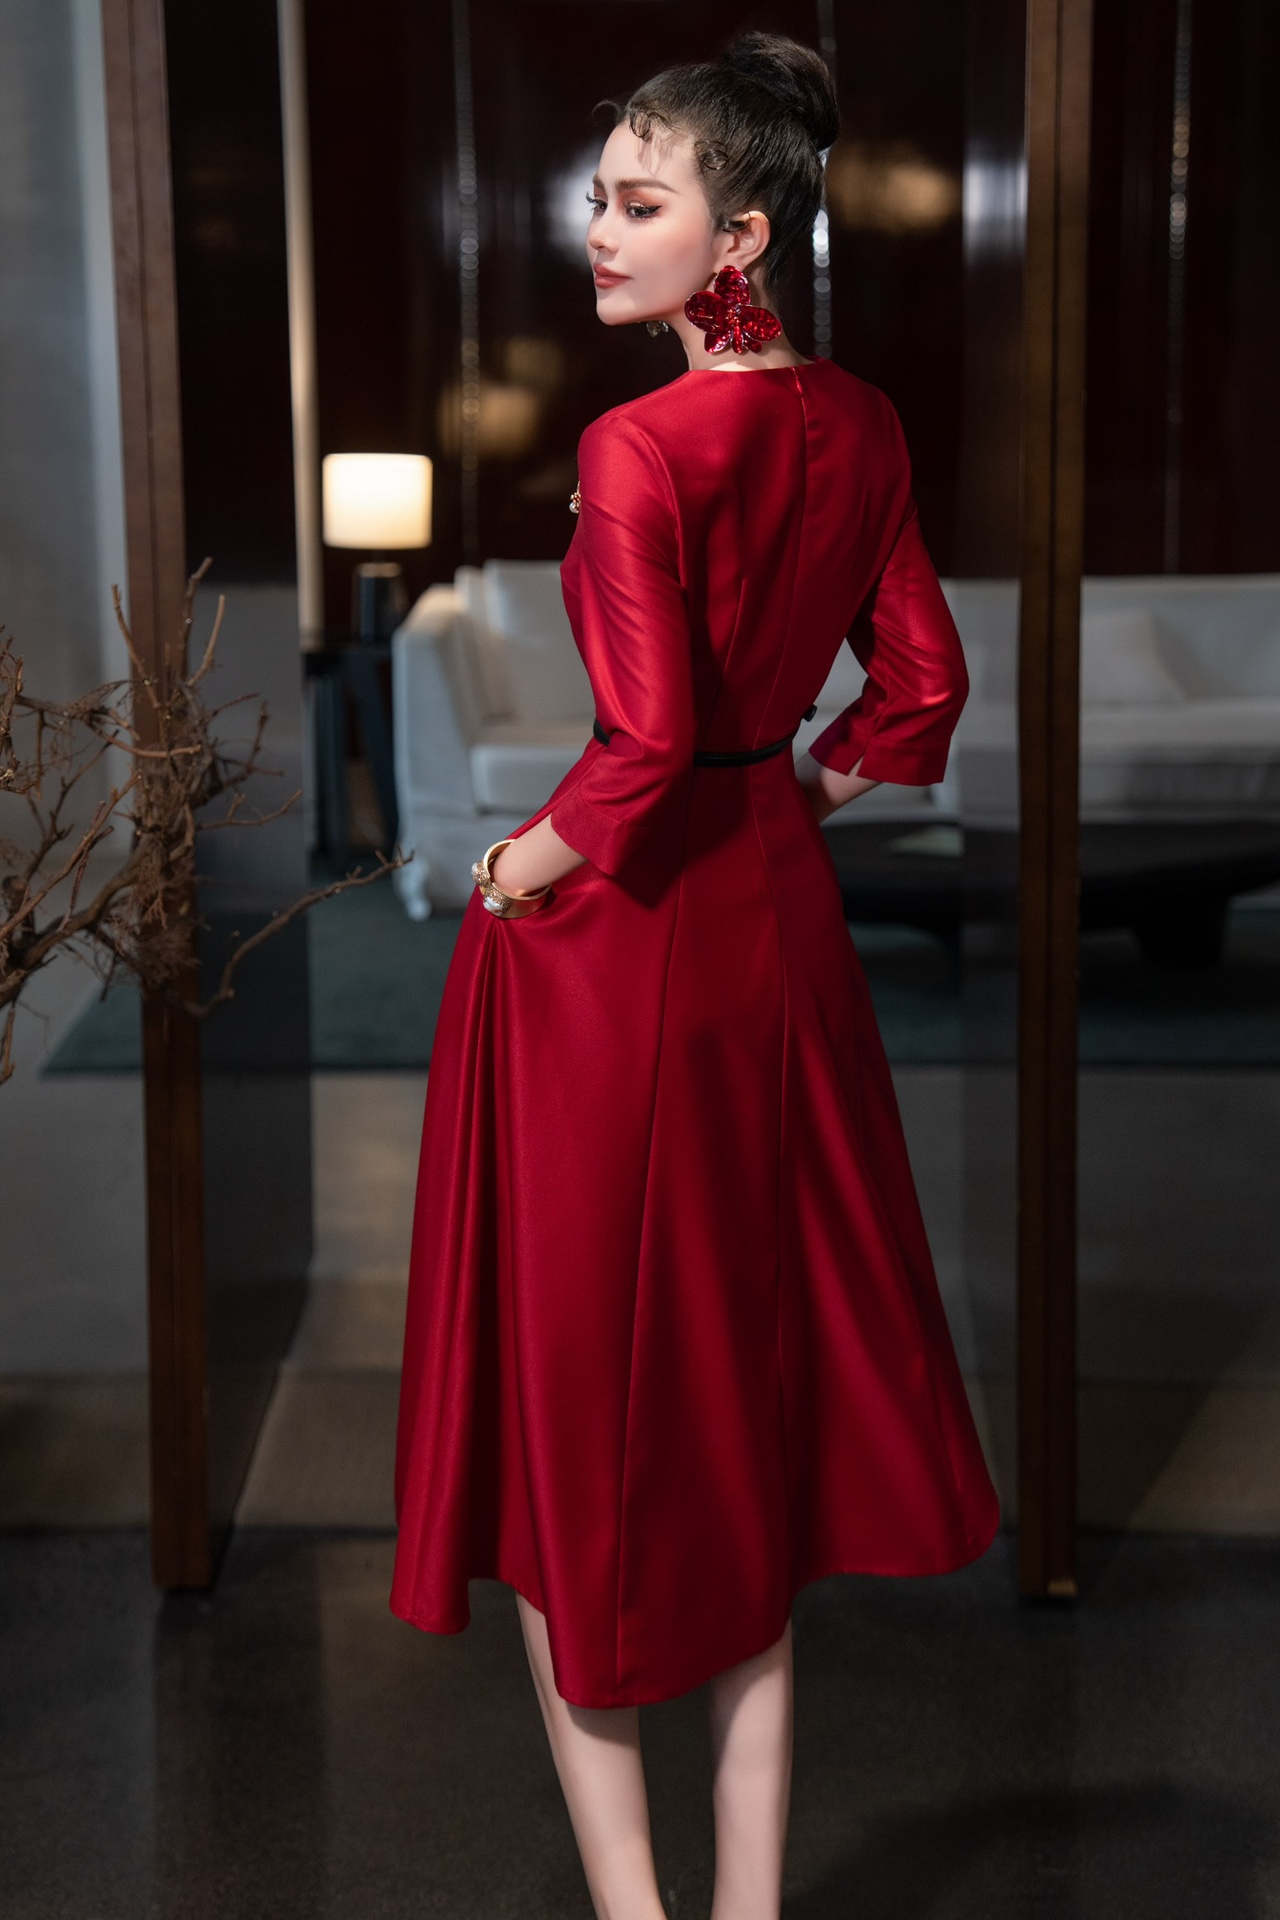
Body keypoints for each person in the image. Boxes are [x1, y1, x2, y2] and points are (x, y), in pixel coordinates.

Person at [392, 31, 999, 1920]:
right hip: (776, 933)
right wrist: (794, 792)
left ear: (739, 235)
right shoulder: (862, 421)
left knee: (578, 1440)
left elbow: (642, 752)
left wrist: (512, 866)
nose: (599, 229)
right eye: (600, 196)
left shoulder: (639, 446)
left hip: (623, 945)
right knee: (737, 1424)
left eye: (639, 202)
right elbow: (923, 690)